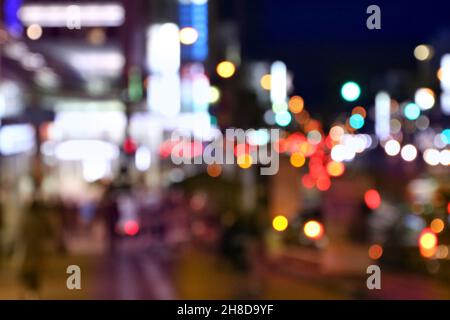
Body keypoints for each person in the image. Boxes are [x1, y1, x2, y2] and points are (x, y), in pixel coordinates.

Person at [17, 193, 53, 299]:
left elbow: (20, 235)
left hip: (26, 250)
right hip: (38, 250)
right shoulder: (42, 220)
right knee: (36, 274)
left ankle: (26, 293)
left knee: (26, 273)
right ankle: (35, 294)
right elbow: (49, 233)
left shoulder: (25, 220)